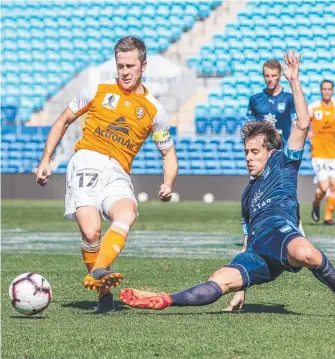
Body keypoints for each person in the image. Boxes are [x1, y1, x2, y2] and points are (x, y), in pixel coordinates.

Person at [119, 51, 335, 312]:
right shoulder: (247, 195)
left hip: (282, 236)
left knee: (307, 254)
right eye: (246, 152)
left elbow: (301, 124)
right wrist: (241, 289)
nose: (248, 158)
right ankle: (165, 299)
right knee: (219, 279)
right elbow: (246, 236)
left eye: (254, 152)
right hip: (257, 254)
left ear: (270, 151)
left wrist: (294, 81)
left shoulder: (283, 163)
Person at [36, 36, 178, 313]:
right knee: (92, 233)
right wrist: (46, 158)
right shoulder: (96, 90)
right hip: (86, 160)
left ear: (144, 66)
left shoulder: (154, 110)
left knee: (127, 212)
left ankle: (98, 270)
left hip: (118, 170)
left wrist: (168, 183)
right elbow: (63, 120)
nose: (124, 72)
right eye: (120, 66)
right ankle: (103, 294)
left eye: (130, 66)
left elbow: (168, 153)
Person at [247, 58, 305, 234]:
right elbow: (249, 127)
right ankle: (252, 231)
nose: (270, 79)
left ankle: (297, 227)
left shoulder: (288, 99)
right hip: (262, 155)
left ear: (280, 75)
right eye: (266, 76)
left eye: (273, 75)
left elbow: (297, 122)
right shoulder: (256, 99)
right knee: (256, 191)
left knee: (288, 191)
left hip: (281, 154)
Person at [309, 80, 335, 226]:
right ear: (321, 90)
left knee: (334, 186)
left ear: (332, 90)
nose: (327, 91)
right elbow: (301, 121)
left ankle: (328, 217)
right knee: (324, 188)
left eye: (329, 89)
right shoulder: (313, 107)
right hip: (318, 154)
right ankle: (317, 203)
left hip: (334, 153)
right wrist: (307, 133)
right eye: (324, 89)